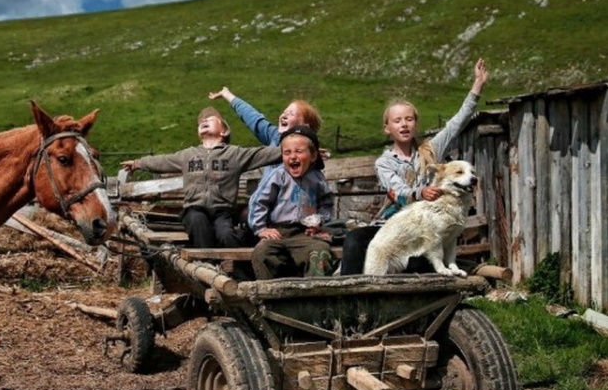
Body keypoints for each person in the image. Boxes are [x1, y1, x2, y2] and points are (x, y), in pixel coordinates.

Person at [340, 58, 490, 275]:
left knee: (422, 260)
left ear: (416, 124)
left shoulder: (430, 150)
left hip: (428, 226)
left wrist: (477, 86)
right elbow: (398, 191)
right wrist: (421, 192)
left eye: (409, 119)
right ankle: (347, 294)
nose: (404, 124)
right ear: (387, 128)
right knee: (355, 239)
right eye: (398, 120)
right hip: (393, 225)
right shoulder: (384, 162)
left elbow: (456, 124)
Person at [121, 106, 282, 255]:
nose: (204, 121)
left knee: (225, 233)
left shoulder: (235, 154)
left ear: (224, 131)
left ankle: (236, 272)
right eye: (202, 122)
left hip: (222, 212)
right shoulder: (188, 155)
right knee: (198, 222)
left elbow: (264, 154)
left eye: (211, 120)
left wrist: (294, 149)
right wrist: (138, 163)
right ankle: (206, 265)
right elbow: (163, 161)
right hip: (194, 209)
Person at [248, 125, 335, 280]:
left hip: (306, 233)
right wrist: (260, 228)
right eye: (287, 153)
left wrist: (320, 221)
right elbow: (258, 201)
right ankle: (271, 298)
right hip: (278, 233)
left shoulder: (317, 178)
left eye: (299, 151)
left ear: (313, 156)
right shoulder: (278, 176)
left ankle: (315, 297)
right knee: (262, 254)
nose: (292, 157)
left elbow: (326, 203)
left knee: (320, 253)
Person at [208, 87, 324, 179]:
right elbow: (253, 118)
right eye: (284, 112)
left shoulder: (310, 157)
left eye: (291, 114)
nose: (284, 115)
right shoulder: (274, 136)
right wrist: (227, 94)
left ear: (304, 126)